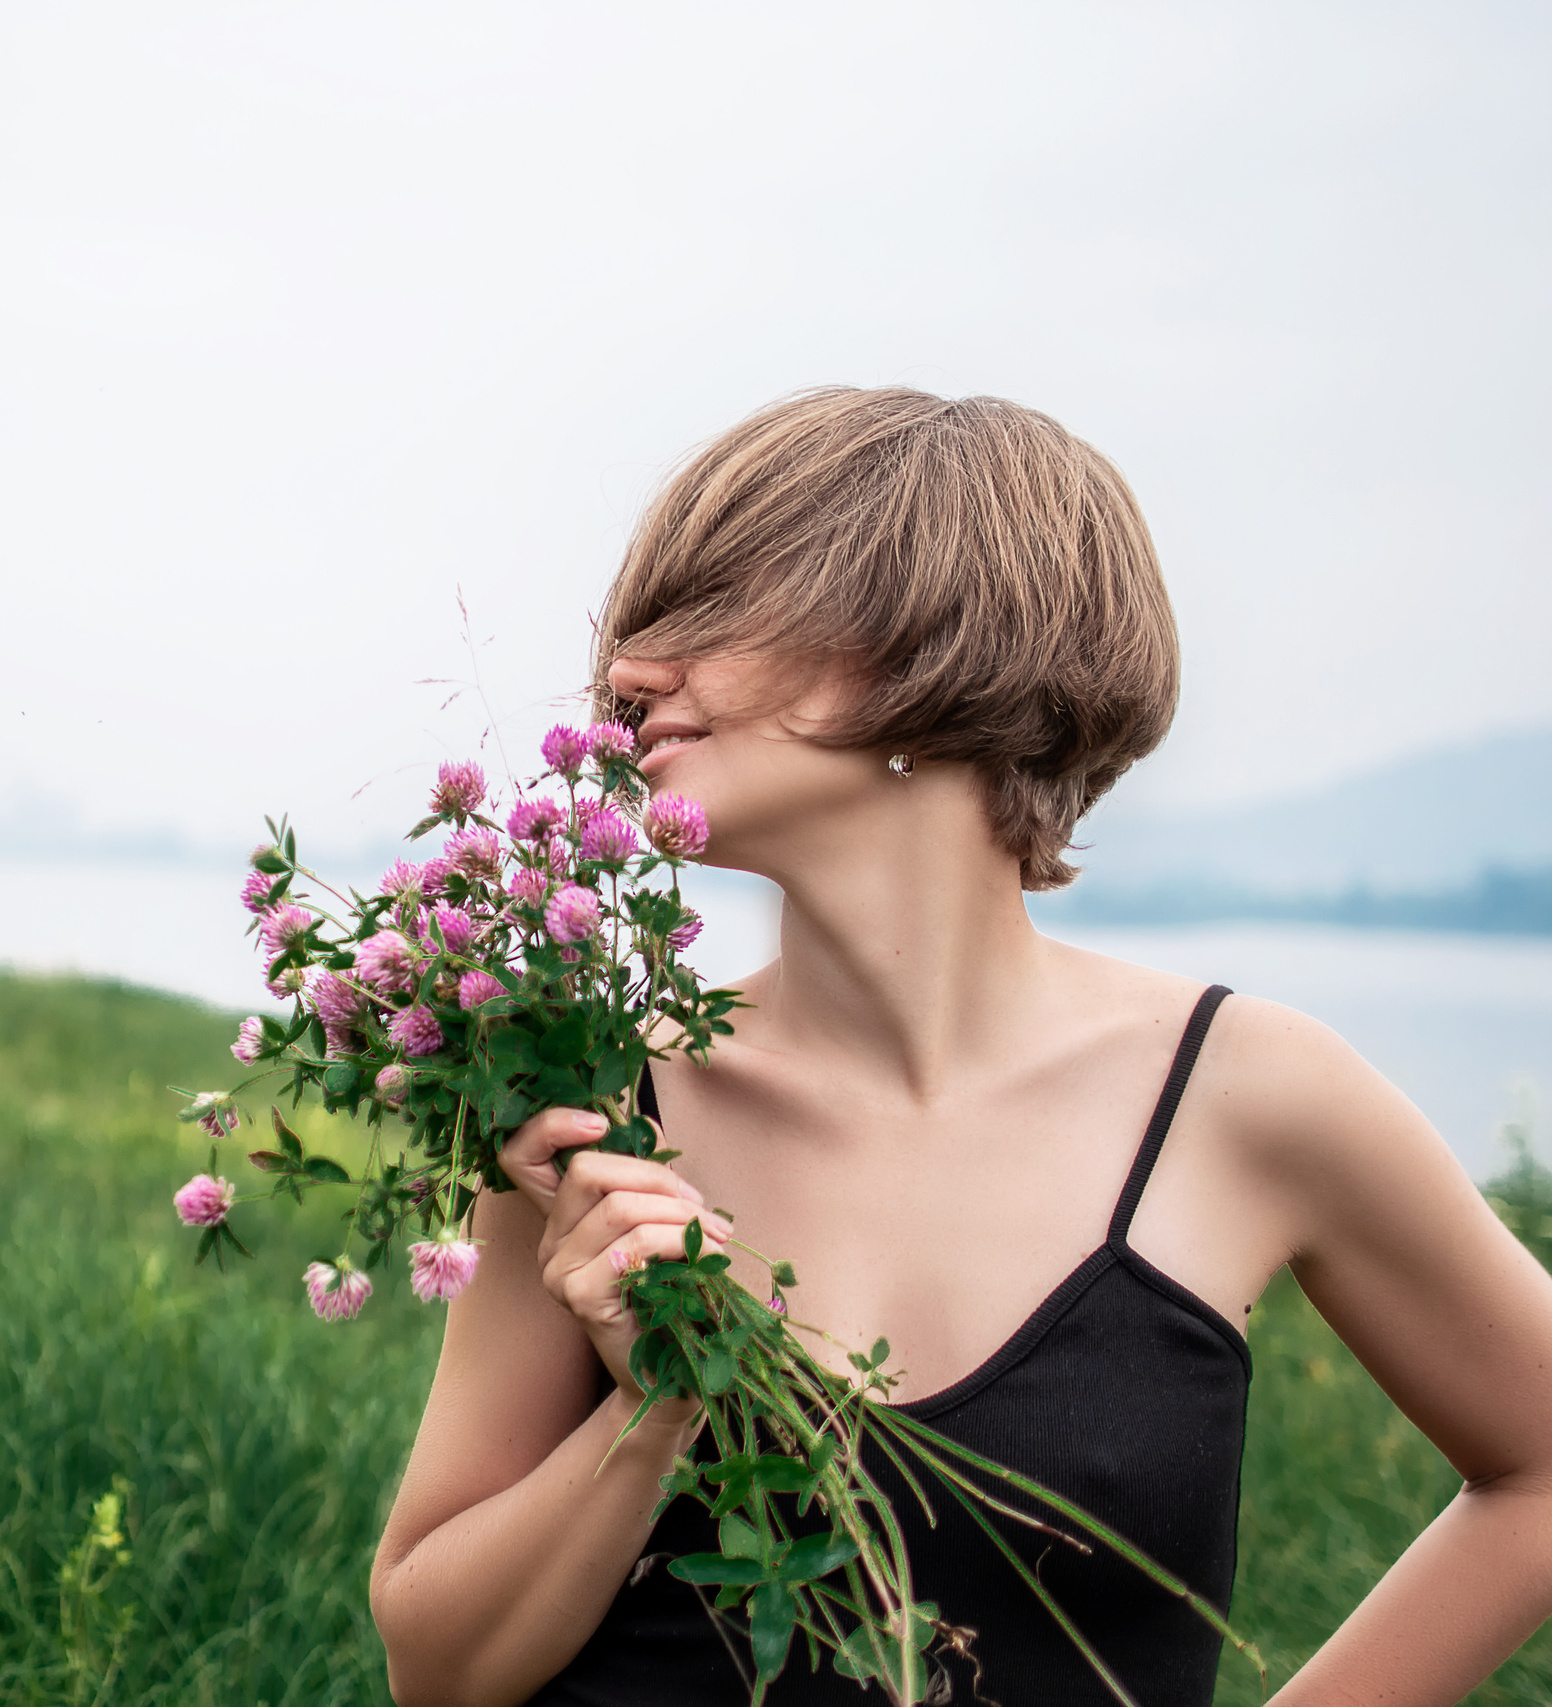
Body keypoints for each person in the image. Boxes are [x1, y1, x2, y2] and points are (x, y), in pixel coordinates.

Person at [366, 388, 1552, 1704]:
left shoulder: (1248, 1096)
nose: (630, 677)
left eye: (716, 613)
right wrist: (664, 1408)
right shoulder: (596, 1108)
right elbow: (436, 1672)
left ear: (940, 645)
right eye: (641, 629)